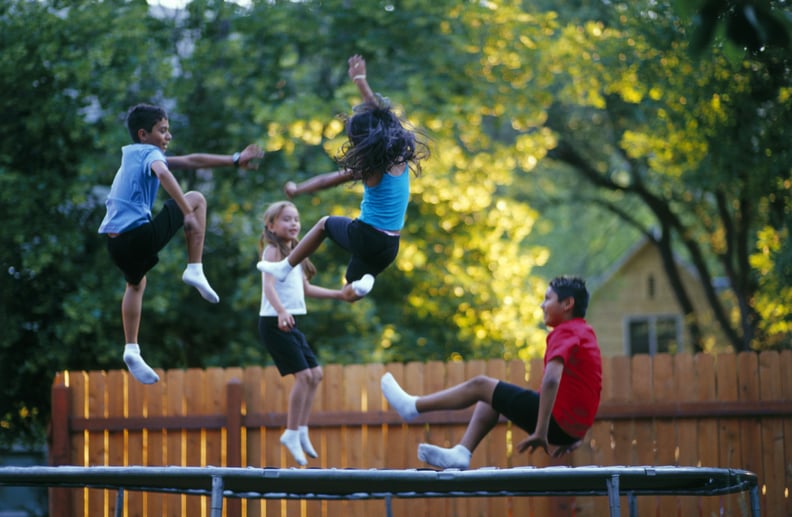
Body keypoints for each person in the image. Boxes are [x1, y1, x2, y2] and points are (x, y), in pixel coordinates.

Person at [98, 103, 264, 385]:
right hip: (137, 236)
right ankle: (195, 267)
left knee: (136, 284)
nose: (168, 136)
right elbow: (164, 175)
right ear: (143, 134)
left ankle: (131, 348)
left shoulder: (134, 156)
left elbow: (191, 161)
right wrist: (187, 212)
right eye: (162, 130)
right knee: (197, 197)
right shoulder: (149, 153)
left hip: (115, 245)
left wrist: (234, 159)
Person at [381, 275, 602, 469]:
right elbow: (591, 387)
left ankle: (413, 407)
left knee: (481, 385)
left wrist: (541, 431)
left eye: (547, 299)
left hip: (555, 423)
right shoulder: (585, 332)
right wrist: (576, 433)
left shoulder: (564, 332)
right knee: (491, 397)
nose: (542, 305)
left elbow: (552, 380)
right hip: (567, 428)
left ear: (567, 304)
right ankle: (462, 452)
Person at [257, 54, 429, 302]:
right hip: (390, 246)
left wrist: (298, 190)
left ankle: (285, 267)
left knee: (325, 224)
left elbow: (326, 180)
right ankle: (364, 284)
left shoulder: (370, 168)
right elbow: (384, 118)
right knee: (350, 290)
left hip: (367, 235)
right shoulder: (400, 156)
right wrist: (360, 82)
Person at [257, 200, 349, 466]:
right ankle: (291, 431)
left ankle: (301, 430)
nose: (294, 224)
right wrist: (282, 311)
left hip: (289, 321)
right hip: (275, 322)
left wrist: (339, 295)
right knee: (304, 376)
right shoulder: (273, 252)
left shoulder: (295, 252)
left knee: (316, 375)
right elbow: (269, 287)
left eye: (296, 219)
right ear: (271, 225)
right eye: (286, 219)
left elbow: (307, 290)